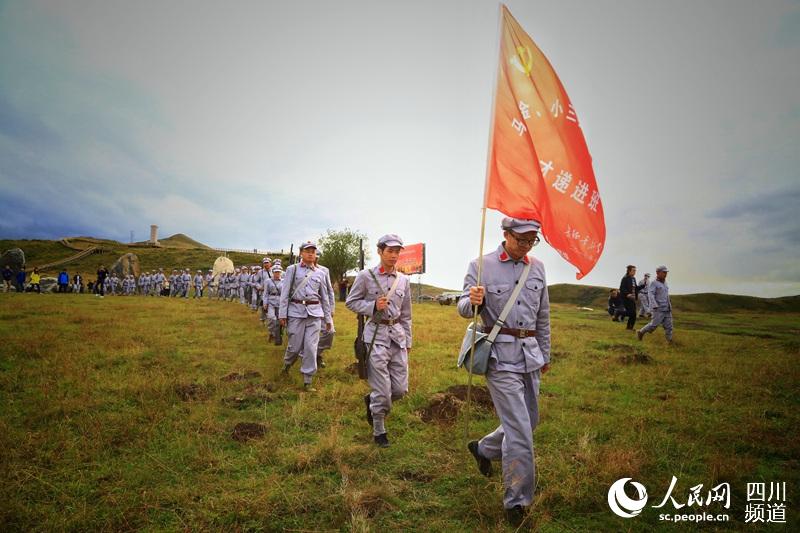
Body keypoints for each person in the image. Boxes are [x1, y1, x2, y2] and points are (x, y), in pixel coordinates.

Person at [457, 217, 551, 527]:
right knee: (520, 431)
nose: (526, 245)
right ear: (506, 234)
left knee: (529, 421)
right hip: (498, 357)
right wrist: (471, 301)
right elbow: (462, 307)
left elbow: (543, 315)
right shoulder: (480, 265)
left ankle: (483, 449)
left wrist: (545, 353)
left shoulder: (536, 267)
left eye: (531, 240)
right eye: (521, 239)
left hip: (530, 355)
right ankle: (518, 501)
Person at [346, 234, 412, 448]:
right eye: (390, 251)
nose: (394, 255)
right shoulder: (365, 276)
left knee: (400, 390)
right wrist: (373, 306)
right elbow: (351, 302)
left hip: (398, 336)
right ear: (380, 252)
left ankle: (373, 401)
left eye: (397, 252)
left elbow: (407, 314)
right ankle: (379, 429)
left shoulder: (403, 280)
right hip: (375, 336)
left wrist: (408, 341)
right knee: (383, 392)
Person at [278, 241, 332, 392]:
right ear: (301, 253)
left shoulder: (320, 273)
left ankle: (307, 380)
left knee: (310, 347)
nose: (310, 254)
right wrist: (282, 314)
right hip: (296, 312)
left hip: (315, 314)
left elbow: (325, 297)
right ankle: (287, 365)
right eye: (307, 251)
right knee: (294, 347)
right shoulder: (292, 270)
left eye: (313, 251)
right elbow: (285, 293)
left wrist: (328, 319)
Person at [637, 266, 673, 343]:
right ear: (658, 272)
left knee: (669, 326)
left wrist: (669, 304)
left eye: (666, 272)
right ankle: (640, 332)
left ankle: (669, 341)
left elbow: (666, 295)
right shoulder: (653, 283)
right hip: (658, 309)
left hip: (667, 309)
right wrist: (654, 305)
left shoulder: (665, 283)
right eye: (663, 272)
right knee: (653, 325)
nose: (665, 274)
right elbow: (651, 295)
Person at [314, 251, 336, 369]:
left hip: (322, 306)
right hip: (303, 307)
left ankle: (316, 353)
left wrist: (331, 307)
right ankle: (310, 357)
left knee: (329, 332)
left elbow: (329, 290)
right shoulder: (297, 269)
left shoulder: (324, 270)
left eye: (317, 256)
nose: (315, 258)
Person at [264, 266, 283, 344]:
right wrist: (265, 303)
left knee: (279, 321)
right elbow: (265, 293)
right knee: (272, 318)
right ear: (273, 272)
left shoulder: (283, 281)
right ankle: (272, 333)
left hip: (280, 301)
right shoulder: (268, 281)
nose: (277, 274)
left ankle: (277, 337)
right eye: (275, 272)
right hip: (271, 301)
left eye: (278, 272)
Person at [619, 265, 638, 331]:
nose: (635, 272)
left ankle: (629, 328)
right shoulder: (625, 278)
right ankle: (619, 313)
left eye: (635, 270)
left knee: (634, 314)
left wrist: (643, 285)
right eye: (633, 270)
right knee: (631, 313)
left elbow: (636, 288)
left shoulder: (634, 279)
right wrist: (627, 294)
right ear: (629, 271)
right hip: (626, 298)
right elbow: (622, 288)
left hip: (632, 298)